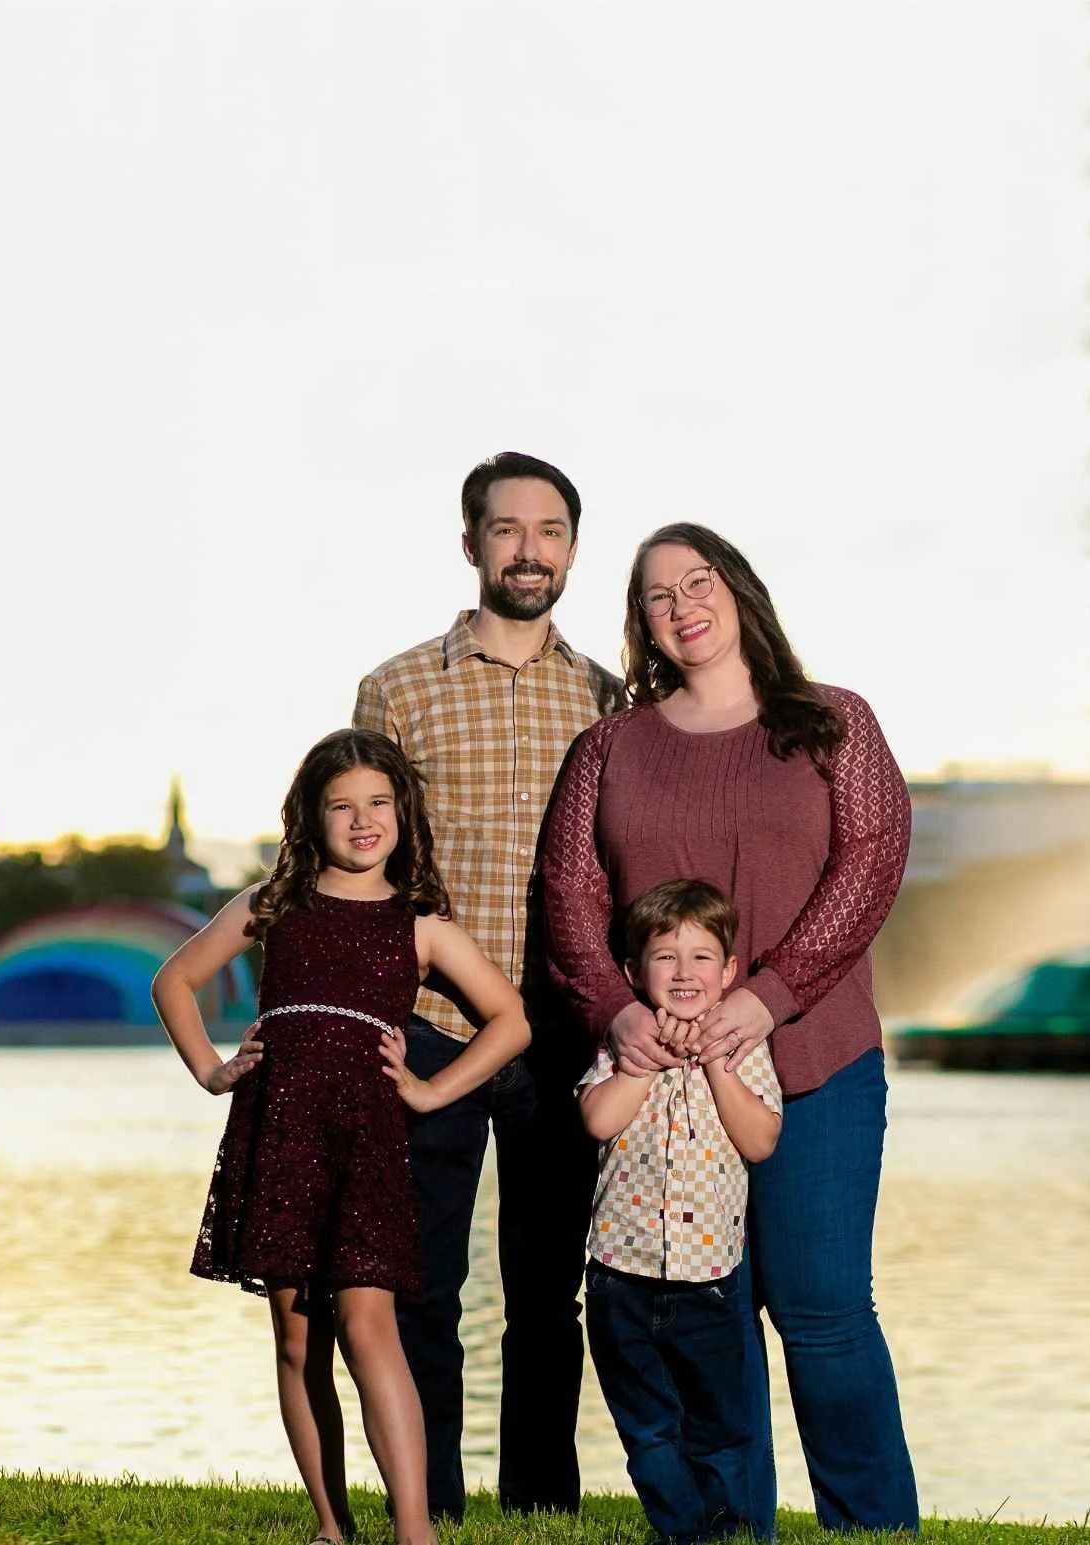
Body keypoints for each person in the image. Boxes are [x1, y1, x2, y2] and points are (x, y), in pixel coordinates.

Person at [538, 522, 921, 1533]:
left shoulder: (834, 722)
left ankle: (872, 1528)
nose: (680, 606)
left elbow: (871, 864)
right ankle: (722, 1530)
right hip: (657, 1080)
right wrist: (617, 1015)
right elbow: (570, 894)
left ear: (739, 591)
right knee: (709, 1331)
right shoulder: (608, 748)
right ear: (642, 626)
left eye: (695, 582)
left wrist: (767, 994)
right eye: (656, 597)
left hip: (812, 1061)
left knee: (823, 1314)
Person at [153, 728, 531, 1545]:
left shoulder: (420, 925)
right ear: (310, 816)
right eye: (342, 805)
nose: (363, 821)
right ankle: (332, 1526)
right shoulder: (271, 904)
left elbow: (510, 1021)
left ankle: (414, 1530)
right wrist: (213, 1070)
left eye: (379, 804)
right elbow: (174, 978)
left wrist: (431, 1089)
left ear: (403, 813)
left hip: (365, 1141)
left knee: (370, 1324)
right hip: (279, 1133)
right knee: (297, 1335)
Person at [351, 451, 623, 1521]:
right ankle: (435, 1506)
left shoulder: (610, 697)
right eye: (506, 531)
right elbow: (362, 853)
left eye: (549, 531)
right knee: (422, 1287)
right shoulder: (399, 686)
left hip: (561, 1031)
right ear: (471, 545)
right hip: (428, 1029)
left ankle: (541, 1506)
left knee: (548, 1295)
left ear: (570, 549)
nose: (528, 550)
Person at [579, 878, 782, 1543]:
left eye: (702, 957)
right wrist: (640, 1066)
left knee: (721, 1427)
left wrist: (718, 1064)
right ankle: (681, 1528)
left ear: (728, 971)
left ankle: (727, 1528)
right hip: (622, 1274)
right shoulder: (622, 1044)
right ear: (636, 972)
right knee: (648, 1427)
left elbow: (760, 1139)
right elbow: (598, 1120)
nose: (685, 971)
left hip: (709, 1283)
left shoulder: (746, 1050)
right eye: (667, 956)